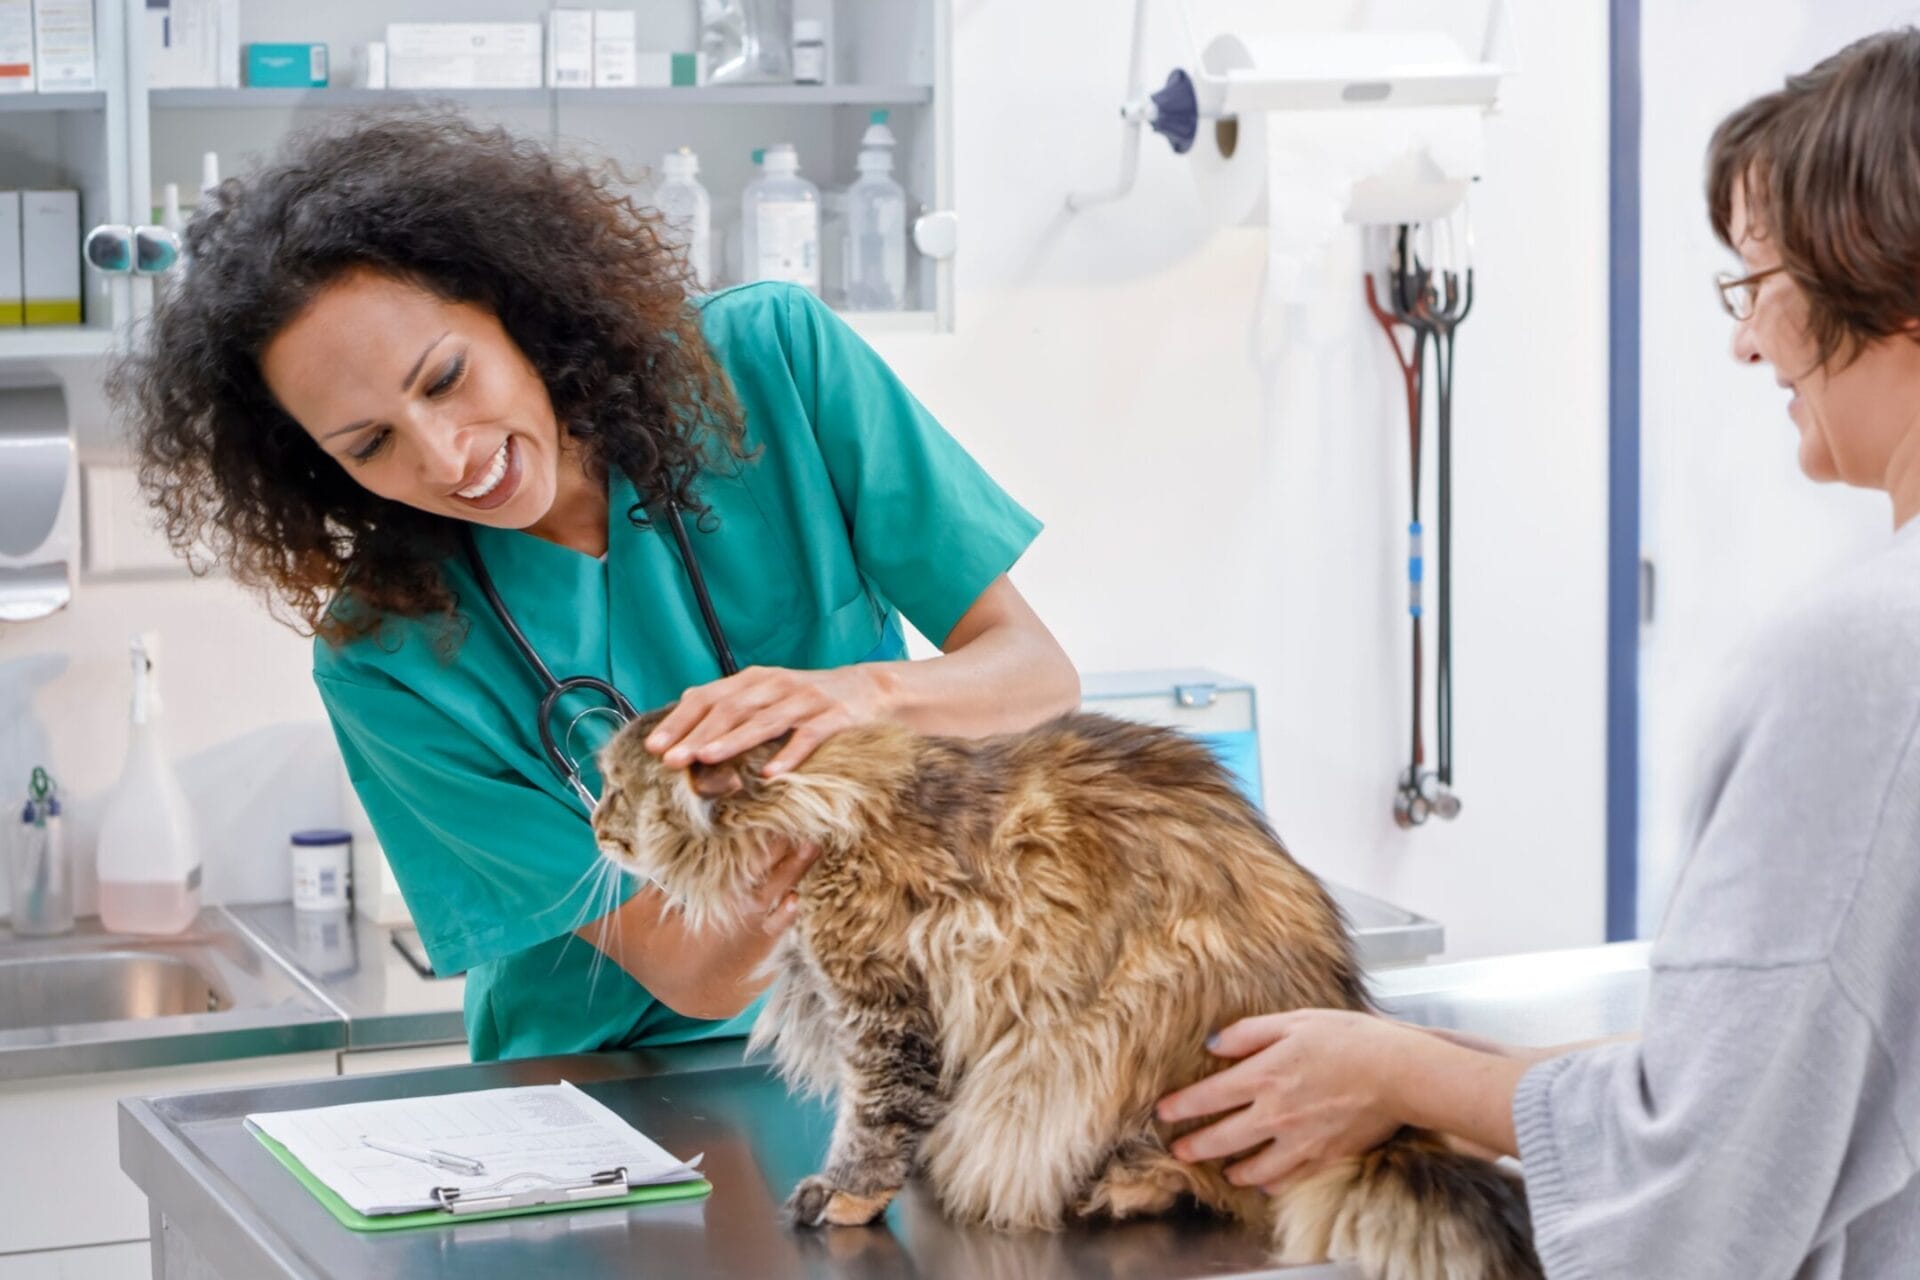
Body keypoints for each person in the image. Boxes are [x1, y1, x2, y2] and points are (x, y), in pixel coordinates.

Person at [1159, 29, 1920, 1277]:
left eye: (1759, 284)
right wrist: (1417, 1071)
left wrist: (1397, 1064)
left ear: (1889, 284)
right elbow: (1793, 1082)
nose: (1745, 344)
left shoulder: (1859, 665)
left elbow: (1706, 1186)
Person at [117, 114, 1079, 1061]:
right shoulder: (385, 656)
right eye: (371, 443)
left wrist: (857, 700)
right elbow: (695, 974)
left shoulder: (771, 362)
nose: (448, 457)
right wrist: (808, 822)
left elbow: (1034, 677)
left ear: (510, 305)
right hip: (611, 1088)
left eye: (447, 378)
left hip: (886, 1029)